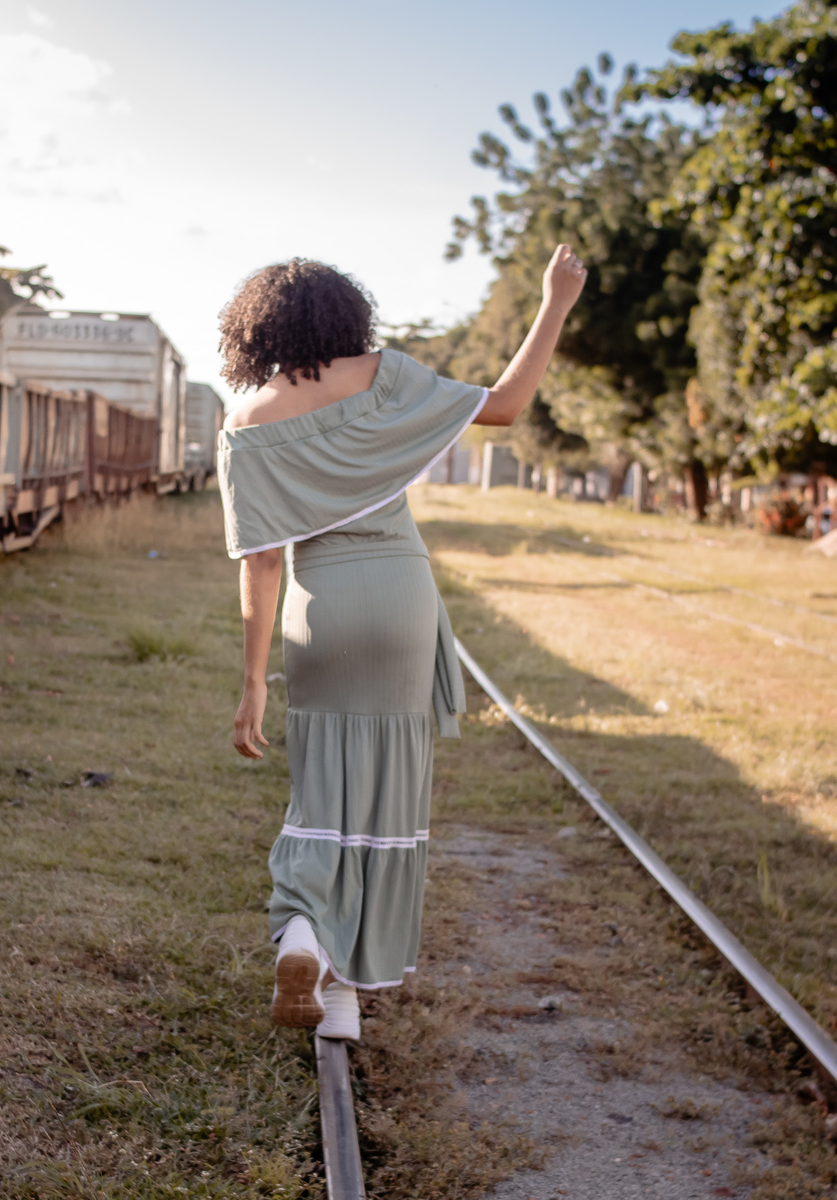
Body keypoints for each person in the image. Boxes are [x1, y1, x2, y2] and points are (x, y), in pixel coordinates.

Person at [216, 245, 587, 1040]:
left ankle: (308, 937)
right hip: (403, 599)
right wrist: (554, 301)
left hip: (323, 613)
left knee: (322, 792)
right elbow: (508, 404)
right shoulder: (389, 377)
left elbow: (262, 562)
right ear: (348, 316)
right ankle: (345, 998)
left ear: (257, 332)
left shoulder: (247, 422)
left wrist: (253, 681)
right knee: (386, 793)